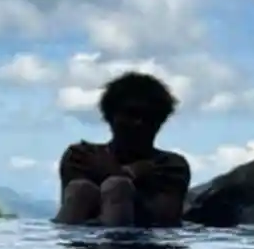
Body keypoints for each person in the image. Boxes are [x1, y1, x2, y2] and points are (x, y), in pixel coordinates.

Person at [54, 71, 191, 228]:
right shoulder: (81, 156)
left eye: (149, 116)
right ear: (110, 116)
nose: (139, 123)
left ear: (160, 121)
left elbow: (165, 219)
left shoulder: (171, 166)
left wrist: (118, 174)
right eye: (130, 114)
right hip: (84, 246)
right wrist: (131, 174)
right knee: (81, 190)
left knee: (117, 187)